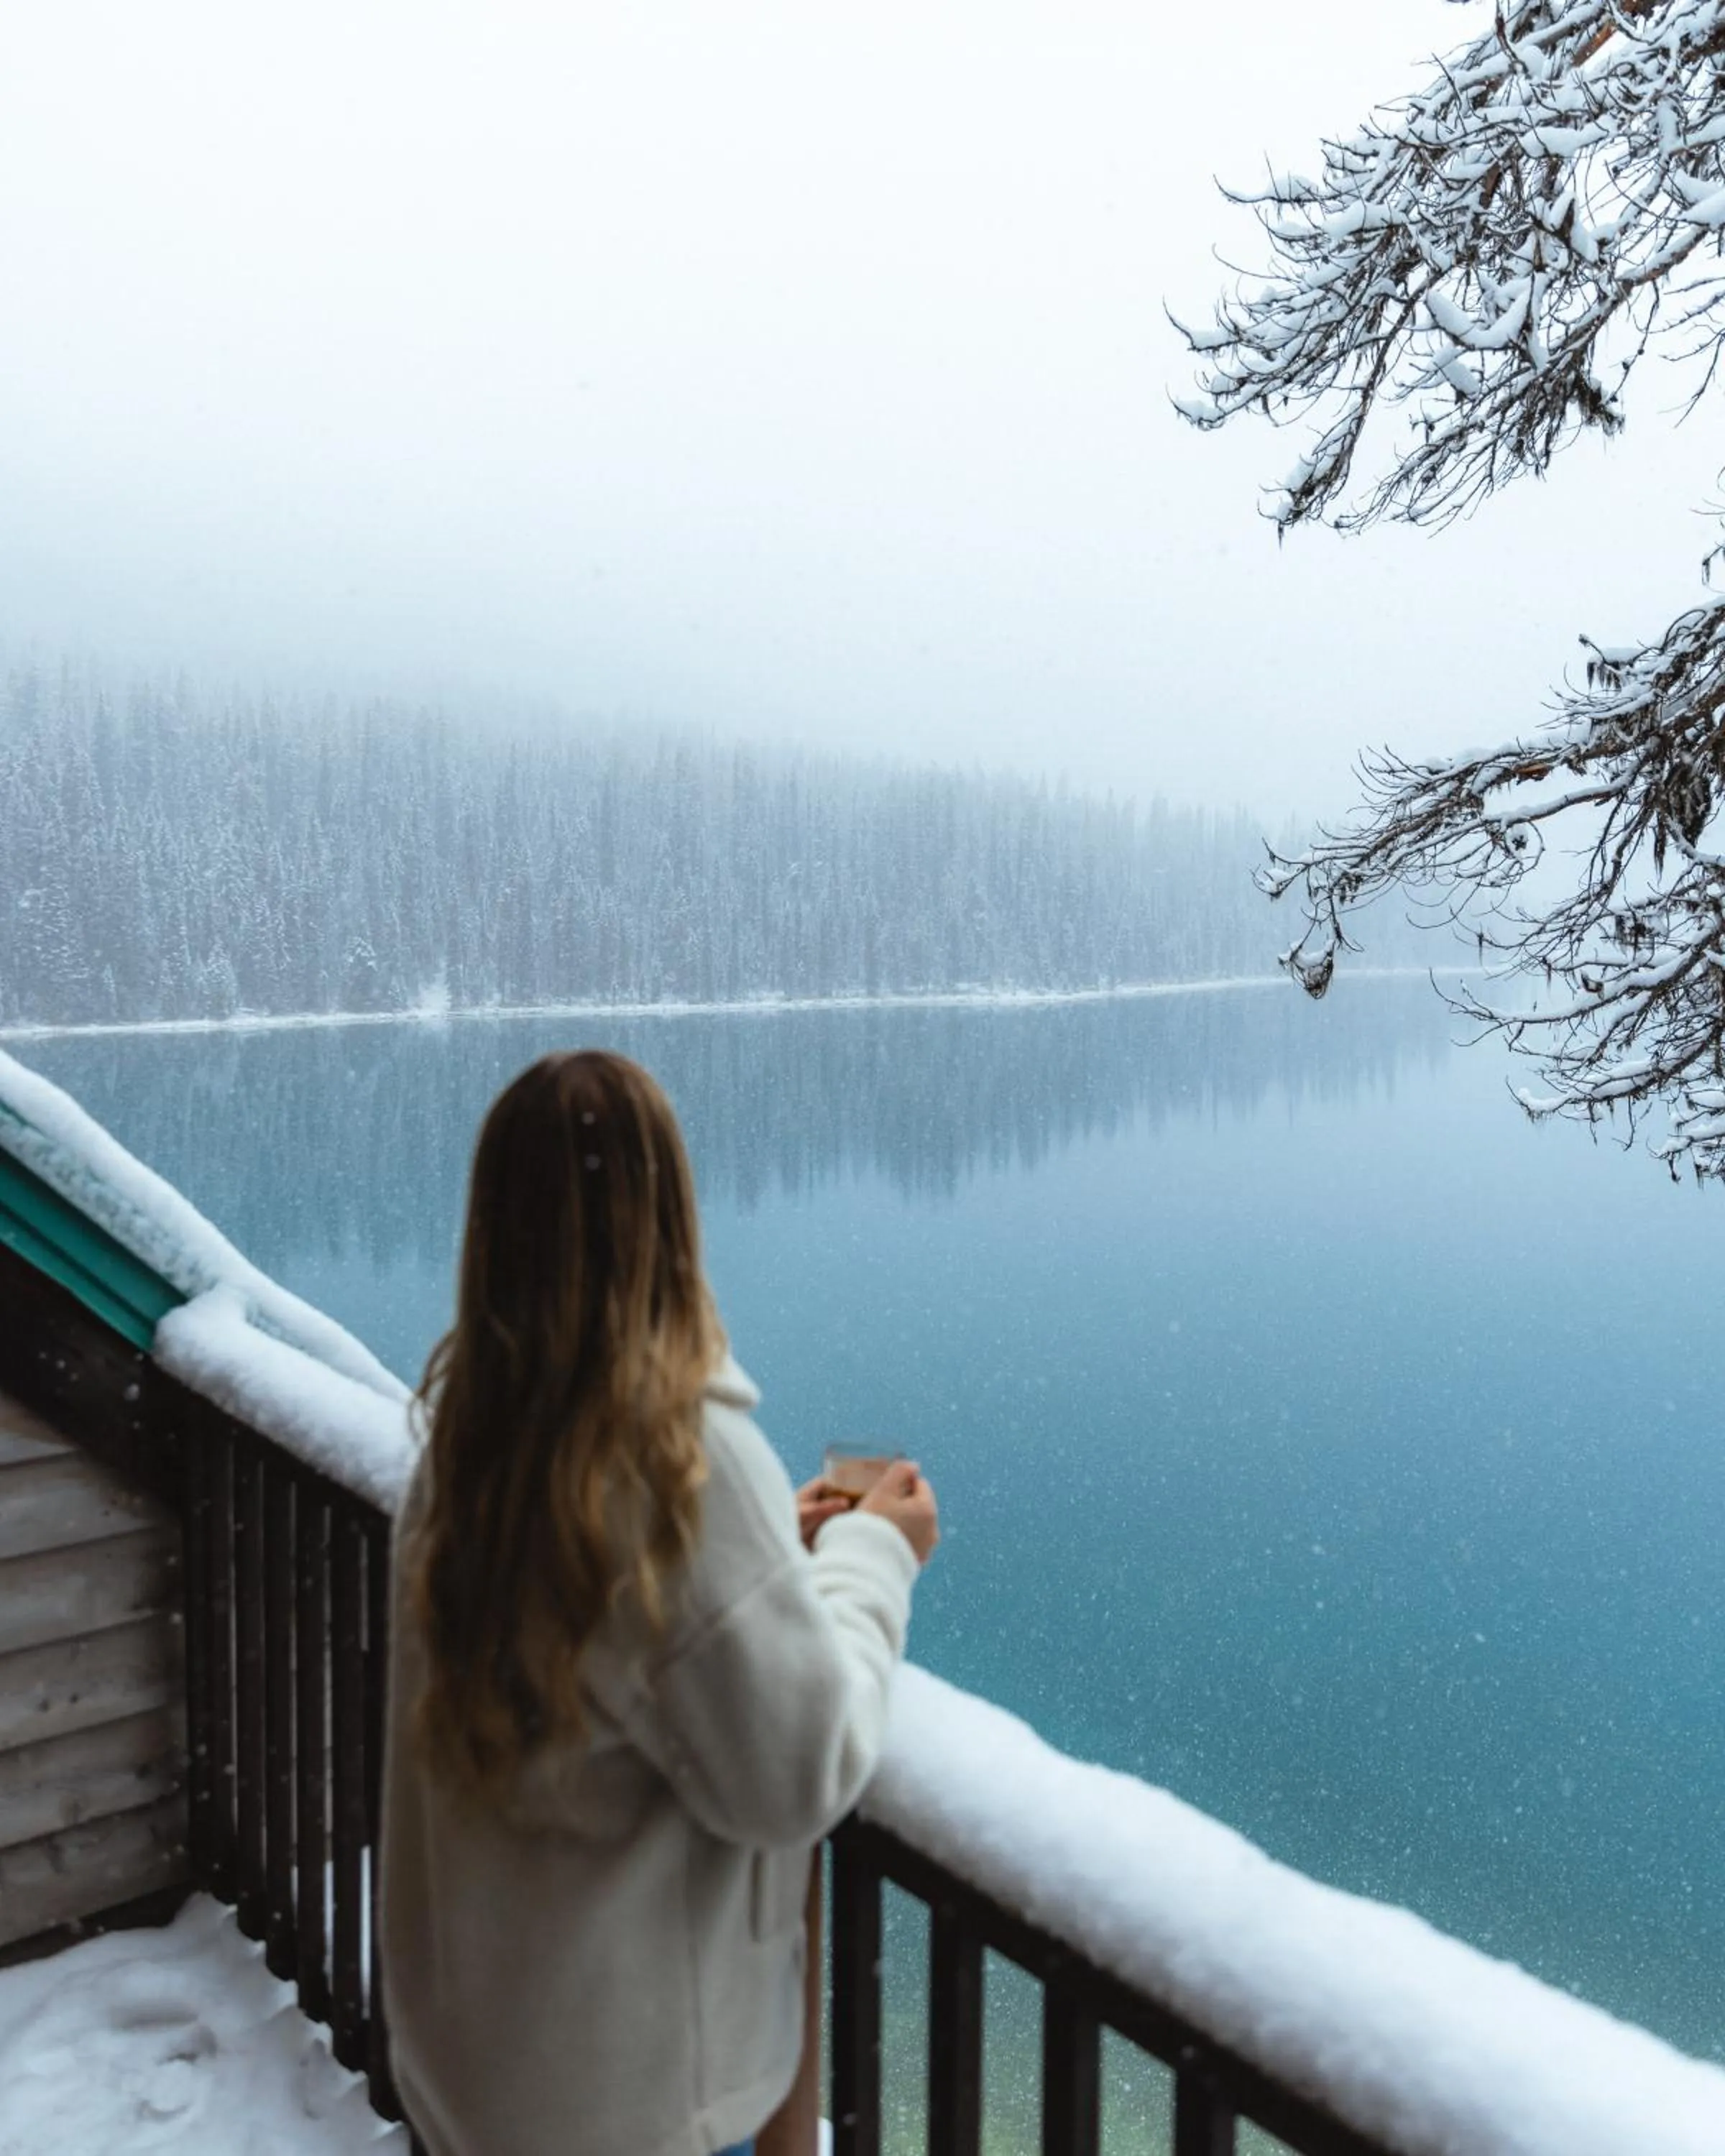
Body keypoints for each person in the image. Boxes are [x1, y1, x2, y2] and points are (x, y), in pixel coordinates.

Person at [380, 1049, 938, 2156]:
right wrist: (878, 1551)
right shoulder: (674, 1456)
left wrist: (764, 1555)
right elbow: (801, 1768)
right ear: (667, 1213)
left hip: (485, 2080)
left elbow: (617, 1630)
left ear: (498, 1221)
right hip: (629, 2113)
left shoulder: (473, 1443)